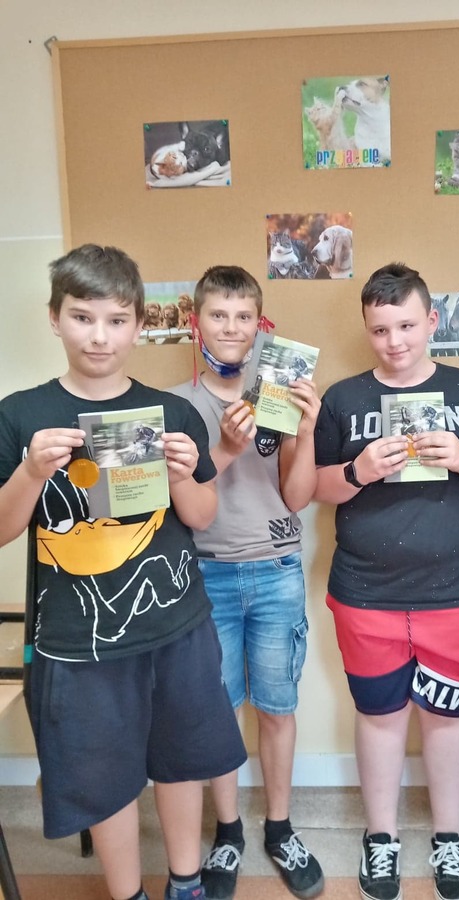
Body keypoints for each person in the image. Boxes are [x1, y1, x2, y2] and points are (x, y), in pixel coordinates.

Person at [0, 244, 247, 900]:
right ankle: (127, 893)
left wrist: (181, 475)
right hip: (76, 639)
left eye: (116, 320)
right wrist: (30, 472)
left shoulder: (172, 413)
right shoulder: (19, 414)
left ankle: (186, 881)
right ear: (54, 318)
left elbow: (201, 514)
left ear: (139, 324)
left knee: (182, 760)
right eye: (82, 317)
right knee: (102, 776)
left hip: (176, 626)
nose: (99, 336)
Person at [313, 262, 459, 900]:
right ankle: (381, 837)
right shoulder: (343, 398)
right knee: (379, 716)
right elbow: (315, 487)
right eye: (380, 329)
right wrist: (358, 470)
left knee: (449, 718)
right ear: (366, 329)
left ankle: (450, 837)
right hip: (365, 593)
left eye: (406, 325)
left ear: (432, 321)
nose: (394, 341)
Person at [169, 266, 324, 900]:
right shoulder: (176, 407)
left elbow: (299, 496)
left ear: (260, 325)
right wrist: (228, 448)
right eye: (218, 315)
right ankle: (228, 831)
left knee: (278, 707)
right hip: (205, 574)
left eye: (243, 317)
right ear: (196, 322)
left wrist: (304, 431)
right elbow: (179, 504)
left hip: (278, 568)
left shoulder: (278, 393)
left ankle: (279, 827)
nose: (230, 328)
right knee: (219, 710)